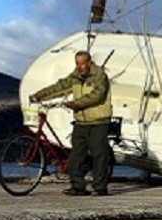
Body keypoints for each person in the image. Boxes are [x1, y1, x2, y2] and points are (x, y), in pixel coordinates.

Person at [29, 51, 112, 196]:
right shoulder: (75, 76)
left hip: (99, 121)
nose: (80, 67)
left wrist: (77, 103)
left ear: (90, 62)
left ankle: (100, 187)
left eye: (83, 63)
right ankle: (78, 187)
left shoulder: (99, 75)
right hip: (81, 121)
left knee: (99, 154)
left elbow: (98, 95)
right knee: (76, 155)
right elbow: (59, 87)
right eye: (77, 63)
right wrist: (39, 95)